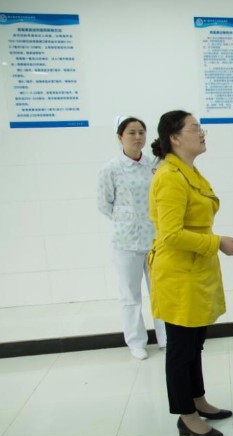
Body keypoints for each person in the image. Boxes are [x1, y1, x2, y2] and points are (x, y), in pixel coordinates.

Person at [148, 110, 233, 436]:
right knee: (181, 348)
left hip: (195, 270)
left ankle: (198, 399)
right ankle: (185, 416)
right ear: (175, 138)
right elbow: (171, 234)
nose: (202, 134)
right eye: (195, 129)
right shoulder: (169, 177)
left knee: (194, 344)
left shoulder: (188, 170)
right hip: (178, 274)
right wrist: (217, 242)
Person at [97, 116, 166, 360]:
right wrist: (127, 220)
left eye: (141, 132)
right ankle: (136, 342)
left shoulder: (155, 165)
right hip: (126, 242)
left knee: (160, 291)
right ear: (120, 137)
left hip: (155, 240)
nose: (137, 137)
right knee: (130, 295)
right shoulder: (111, 169)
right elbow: (104, 204)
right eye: (131, 133)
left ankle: (166, 338)